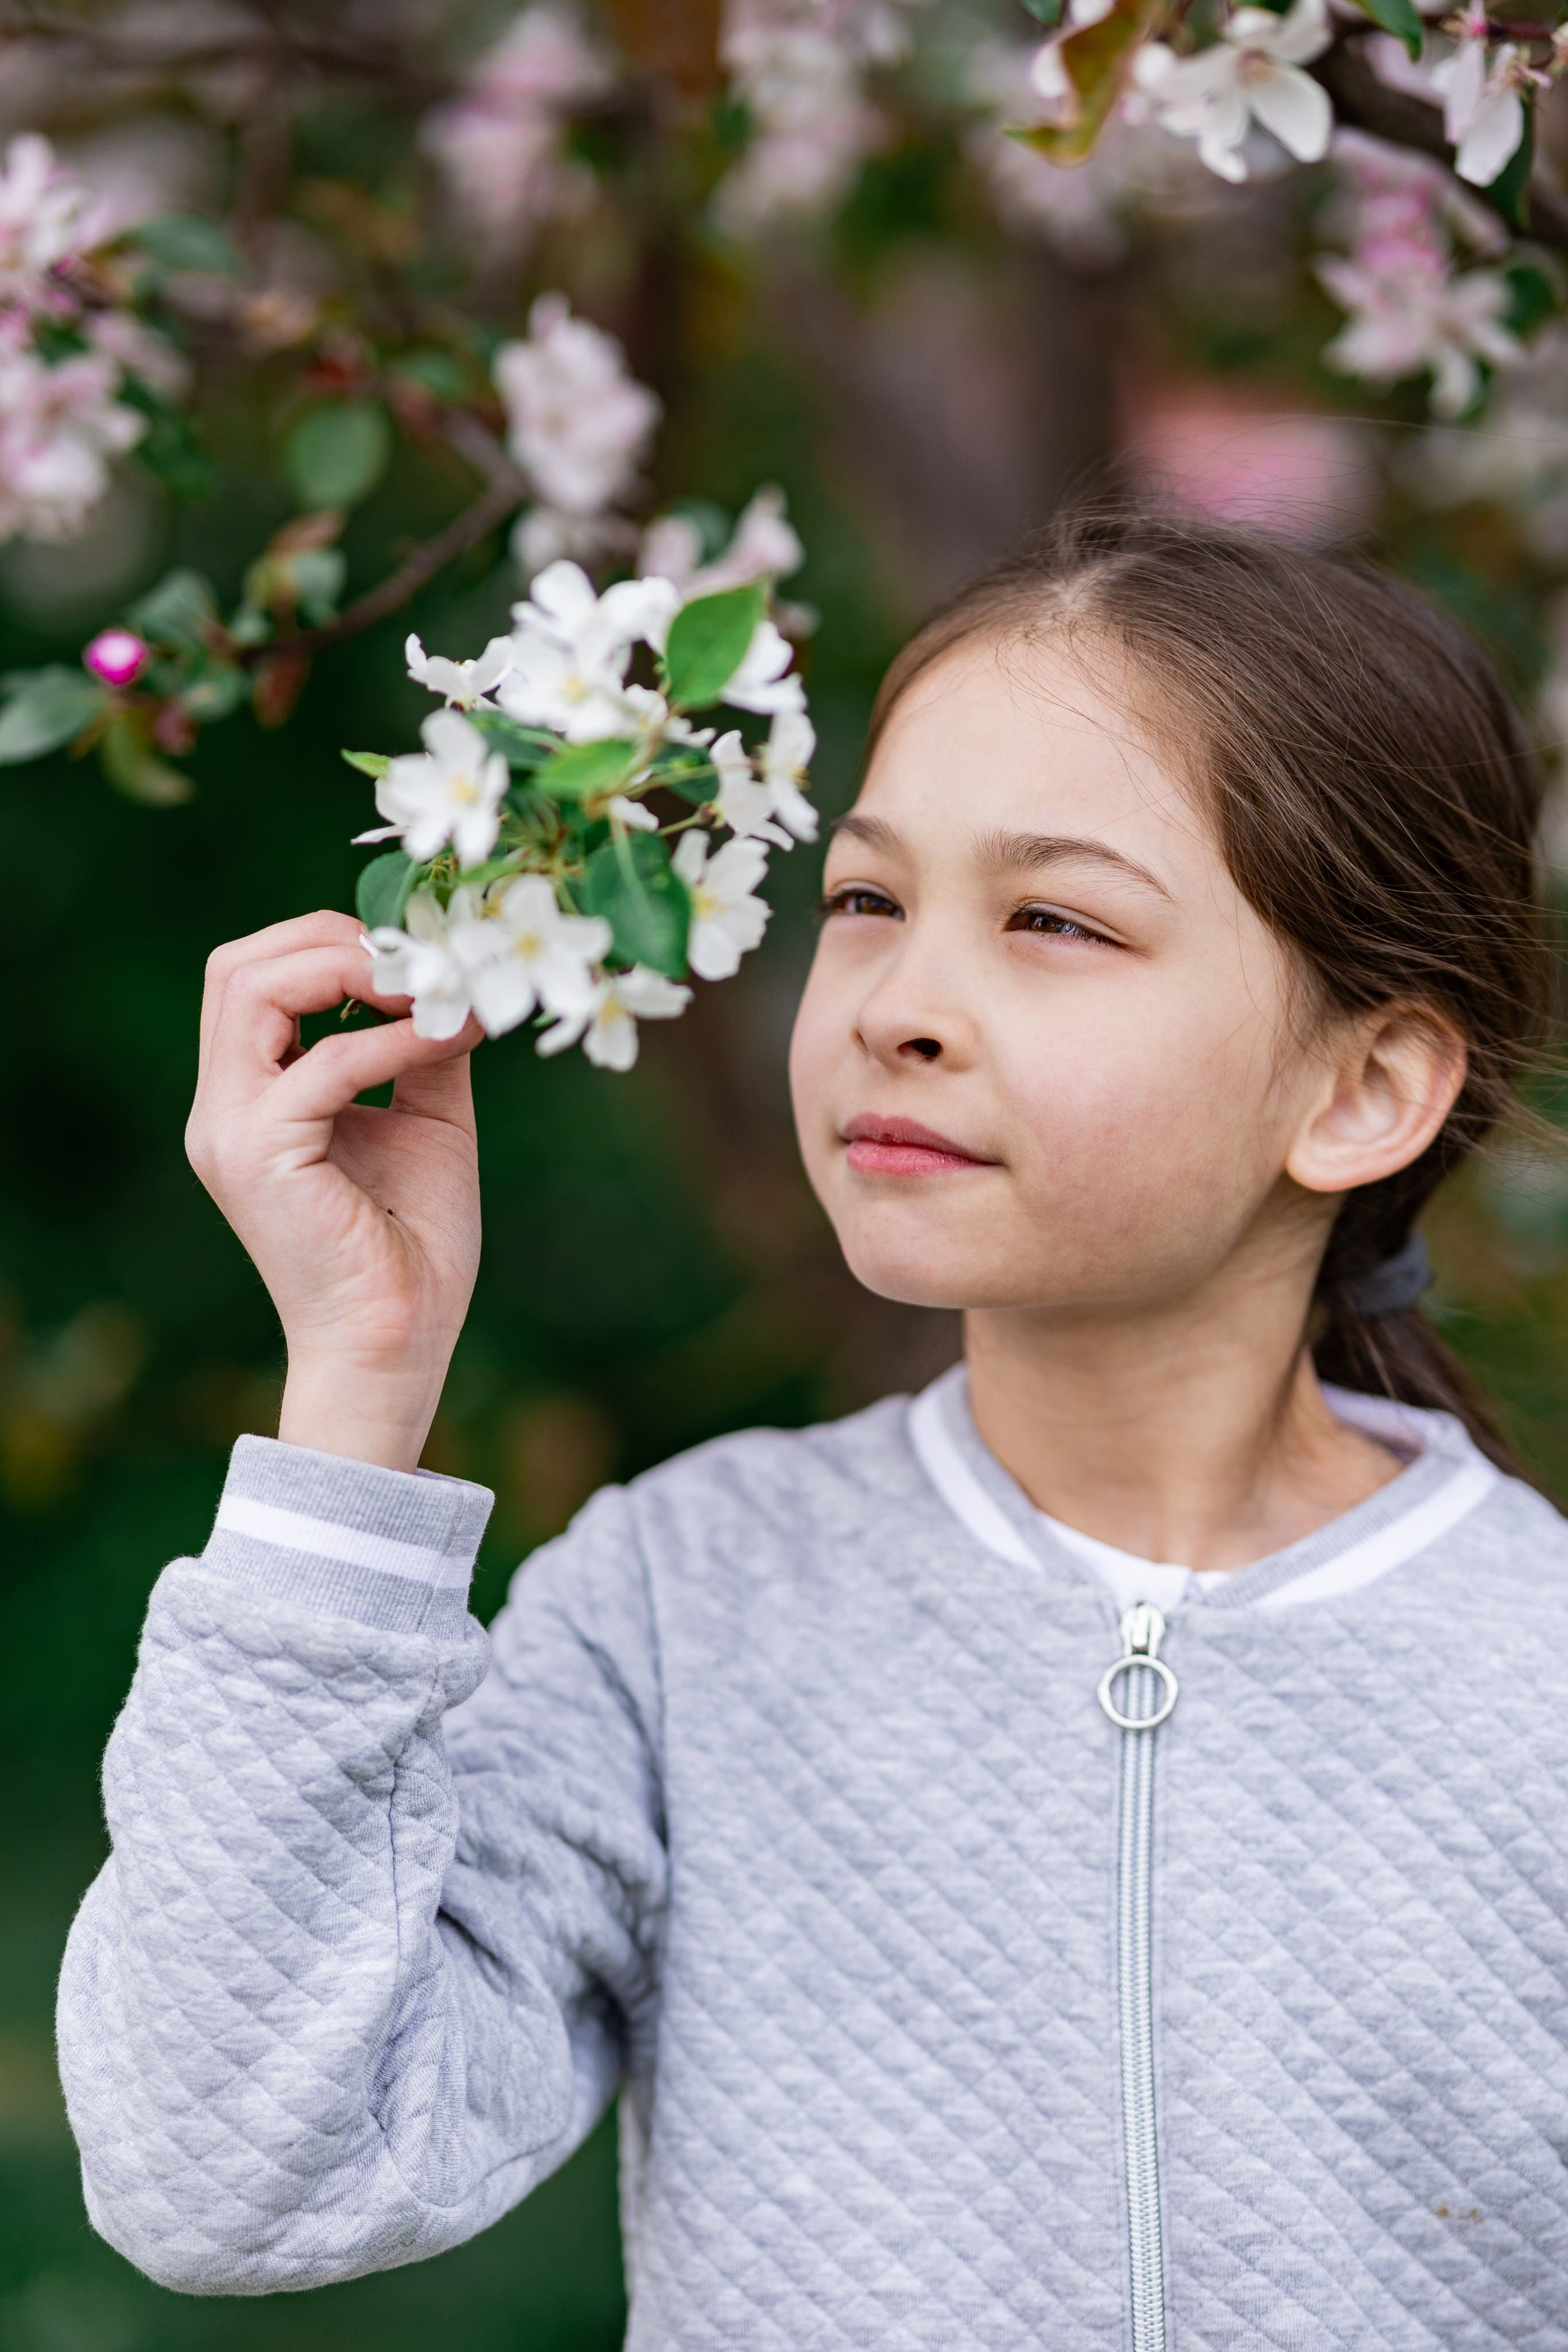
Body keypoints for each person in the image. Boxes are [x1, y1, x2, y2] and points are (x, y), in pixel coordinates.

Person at [56, 508, 1568, 2348]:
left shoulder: (1535, 1673)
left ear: (1364, 1086)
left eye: (1056, 921)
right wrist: (357, 1391)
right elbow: (231, 2174)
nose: (899, 1008)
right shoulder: (683, 1608)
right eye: (867, 901)